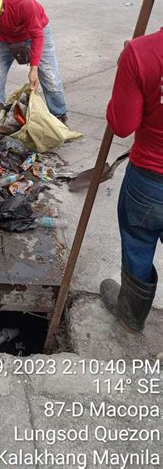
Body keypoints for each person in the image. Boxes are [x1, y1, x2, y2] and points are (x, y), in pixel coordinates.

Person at [100, 28, 162, 333]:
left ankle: (131, 315)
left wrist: (128, 67)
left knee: (139, 244)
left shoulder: (142, 52)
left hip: (150, 182)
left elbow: (122, 125)